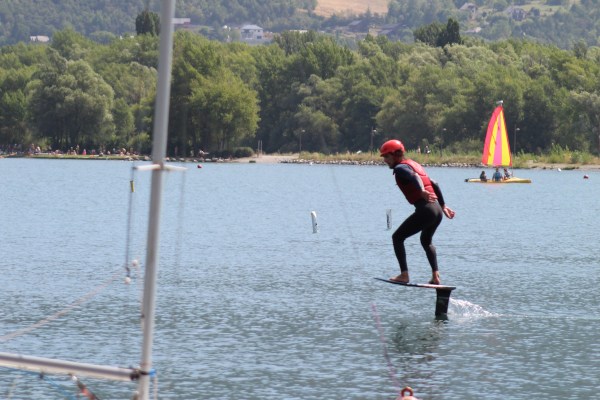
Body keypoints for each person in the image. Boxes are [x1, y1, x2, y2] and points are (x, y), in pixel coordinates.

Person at [380, 140, 455, 285]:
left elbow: (414, 177)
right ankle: (435, 276)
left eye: (387, 157)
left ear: (397, 154)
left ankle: (404, 274)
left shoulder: (400, 168)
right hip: (437, 211)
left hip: (426, 210)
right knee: (426, 241)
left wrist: (421, 191)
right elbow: (434, 183)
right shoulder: (413, 164)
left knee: (397, 237)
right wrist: (443, 205)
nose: (385, 161)